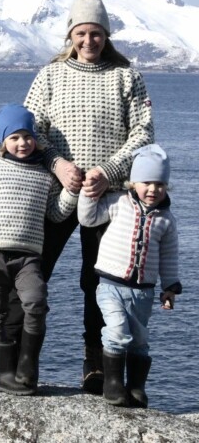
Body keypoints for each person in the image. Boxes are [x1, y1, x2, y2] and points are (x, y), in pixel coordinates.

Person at [0, 0, 155, 392]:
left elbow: (143, 133)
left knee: (98, 281)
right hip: (56, 193)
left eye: (96, 33)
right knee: (29, 272)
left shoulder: (126, 76)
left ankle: (96, 363)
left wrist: (108, 171)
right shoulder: (50, 75)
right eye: (81, 33)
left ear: (106, 34)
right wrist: (58, 164)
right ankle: (5, 357)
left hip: (109, 197)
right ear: (71, 34)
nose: (89, 40)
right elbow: (33, 130)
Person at [0, 104, 78, 395]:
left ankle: (28, 366)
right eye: (14, 137)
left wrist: (71, 192)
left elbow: (55, 213)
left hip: (28, 257)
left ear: (36, 139)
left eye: (28, 136)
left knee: (36, 303)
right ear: (3, 141)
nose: (22, 143)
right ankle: (4, 372)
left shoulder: (44, 176)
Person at [78, 144, 181, 408]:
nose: (153, 189)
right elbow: (88, 219)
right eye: (147, 182)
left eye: (160, 184)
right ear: (133, 182)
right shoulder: (119, 203)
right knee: (116, 330)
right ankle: (112, 384)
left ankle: (135, 387)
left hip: (143, 291)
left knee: (139, 339)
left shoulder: (166, 220)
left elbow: (169, 256)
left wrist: (170, 287)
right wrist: (87, 193)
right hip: (110, 285)